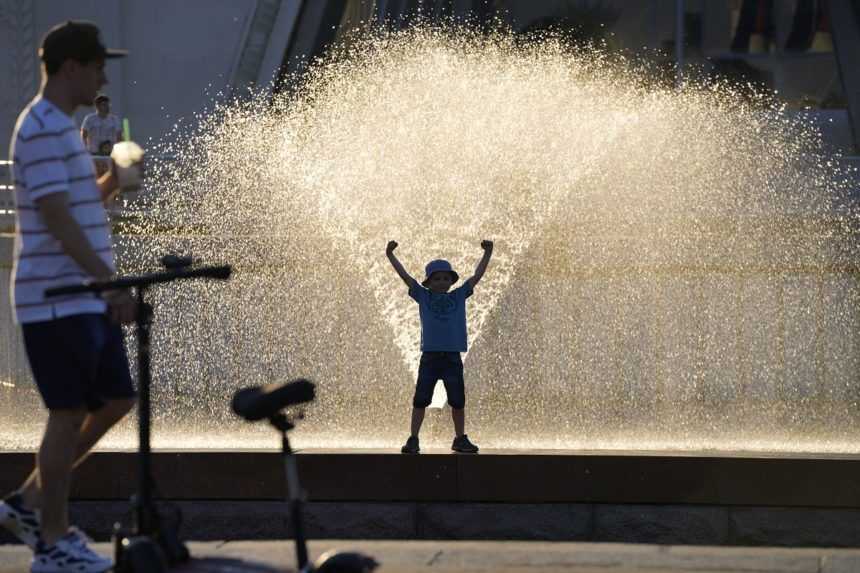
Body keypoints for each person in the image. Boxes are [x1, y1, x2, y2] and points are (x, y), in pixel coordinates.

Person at [0, 20, 140, 573]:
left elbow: (77, 203)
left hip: (80, 294)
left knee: (115, 399)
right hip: (55, 295)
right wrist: (107, 283)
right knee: (67, 412)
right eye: (99, 65)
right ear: (71, 67)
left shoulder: (65, 131)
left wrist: (114, 183)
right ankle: (52, 541)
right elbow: (55, 217)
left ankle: (29, 504)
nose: (104, 76)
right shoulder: (37, 127)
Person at [386, 239, 494, 454]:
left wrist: (488, 253)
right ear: (429, 281)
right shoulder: (423, 296)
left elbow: (476, 277)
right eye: (437, 278)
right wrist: (390, 255)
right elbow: (405, 277)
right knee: (420, 399)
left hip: (452, 357)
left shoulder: (458, 295)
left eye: (446, 278)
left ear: (451, 281)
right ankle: (413, 438)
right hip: (430, 357)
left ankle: (460, 438)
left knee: (457, 400)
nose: (442, 281)